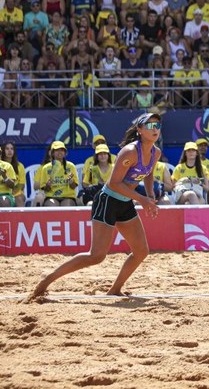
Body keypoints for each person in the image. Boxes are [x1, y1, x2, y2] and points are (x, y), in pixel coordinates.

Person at [29, 113, 162, 300]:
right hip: (108, 200)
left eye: (157, 125)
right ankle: (47, 280)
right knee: (96, 256)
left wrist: (150, 196)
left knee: (141, 251)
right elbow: (114, 183)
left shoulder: (156, 152)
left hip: (125, 202)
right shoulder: (130, 151)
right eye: (149, 125)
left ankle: (115, 289)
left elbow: (148, 173)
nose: (155, 129)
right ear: (139, 130)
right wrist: (142, 199)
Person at [34, 141, 79, 207]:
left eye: (62, 150)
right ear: (52, 153)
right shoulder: (46, 168)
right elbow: (45, 190)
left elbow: (74, 187)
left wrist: (71, 182)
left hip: (68, 196)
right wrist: (48, 185)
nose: (60, 152)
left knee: (67, 205)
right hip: (51, 196)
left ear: (65, 153)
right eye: (57, 150)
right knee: (52, 206)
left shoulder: (71, 166)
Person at [2, 142, 27, 207]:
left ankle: (22, 214)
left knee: (19, 198)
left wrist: (13, 192)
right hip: (2, 192)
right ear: (3, 151)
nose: (9, 151)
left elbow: (22, 185)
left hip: (16, 193)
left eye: (12, 149)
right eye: (7, 149)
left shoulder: (20, 166)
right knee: (4, 200)